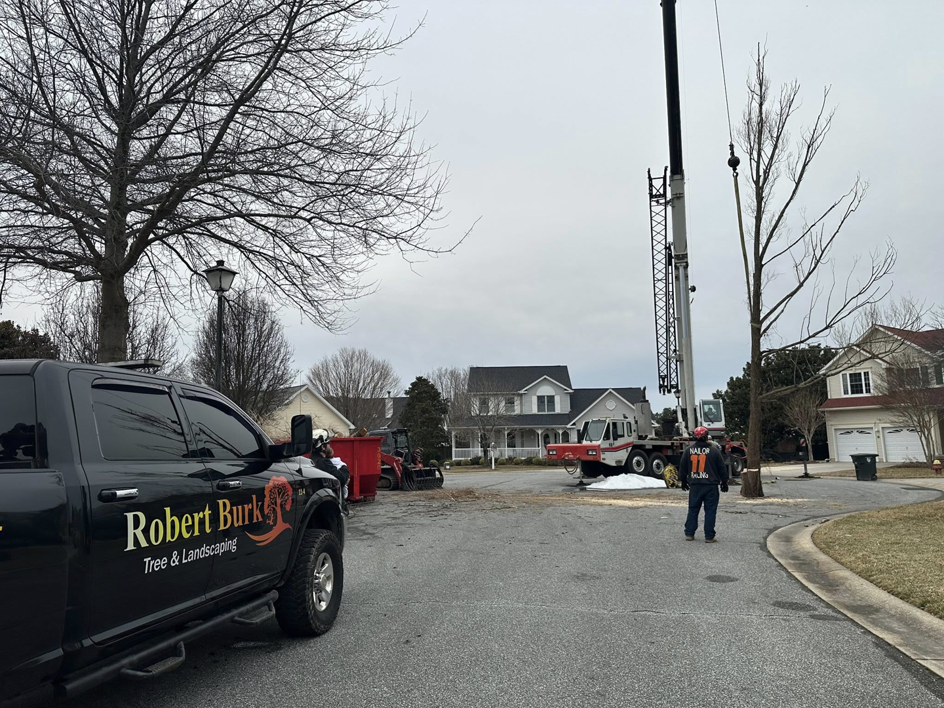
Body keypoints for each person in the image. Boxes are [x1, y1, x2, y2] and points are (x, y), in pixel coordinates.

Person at [679, 426, 729, 543]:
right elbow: (722, 468)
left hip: (695, 485)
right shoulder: (714, 451)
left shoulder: (688, 451)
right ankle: (709, 536)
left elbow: (683, 467)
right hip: (711, 486)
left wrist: (683, 481)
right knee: (710, 511)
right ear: (707, 436)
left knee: (693, 509)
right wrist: (724, 482)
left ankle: (689, 534)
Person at [310, 430, 350, 513]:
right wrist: (344, 467)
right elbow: (342, 479)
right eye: (328, 444)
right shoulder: (324, 463)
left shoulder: (311, 460)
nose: (330, 446)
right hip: (328, 509)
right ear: (323, 447)